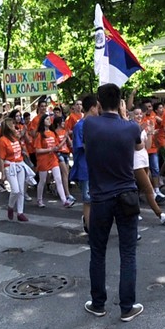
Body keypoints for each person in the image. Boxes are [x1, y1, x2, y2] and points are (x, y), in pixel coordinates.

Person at [82, 83, 144, 322]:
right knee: (128, 252)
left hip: (100, 197)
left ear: (98, 103)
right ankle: (127, 307)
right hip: (127, 195)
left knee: (98, 252)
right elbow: (140, 146)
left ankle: (98, 304)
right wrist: (124, 116)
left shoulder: (89, 124)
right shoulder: (131, 127)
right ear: (120, 103)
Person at [130, 107, 165, 225]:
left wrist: (149, 132)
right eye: (136, 114)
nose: (139, 116)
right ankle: (160, 214)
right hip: (136, 162)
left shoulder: (142, 128)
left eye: (140, 113)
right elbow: (137, 146)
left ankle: (133, 212)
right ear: (131, 116)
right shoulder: (132, 128)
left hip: (144, 160)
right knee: (149, 188)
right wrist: (141, 131)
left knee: (139, 189)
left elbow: (147, 146)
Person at [70, 94, 99, 234]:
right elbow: (83, 147)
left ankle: (91, 223)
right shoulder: (80, 126)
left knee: (96, 199)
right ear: (92, 108)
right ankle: (90, 229)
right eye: (97, 107)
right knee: (88, 200)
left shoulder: (96, 124)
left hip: (96, 167)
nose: (99, 110)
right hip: (85, 168)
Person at [34, 113, 74, 208]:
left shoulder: (52, 133)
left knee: (58, 179)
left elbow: (57, 146)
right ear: (43, 121)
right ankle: (39, 199)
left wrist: (60, 144)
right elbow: (37, 150)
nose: (49, 121)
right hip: (43, 160)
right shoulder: (39, 134)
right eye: (47, 119)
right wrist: (50, 149)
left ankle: (64, 201)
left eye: (49, 119)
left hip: (53, 158)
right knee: (42, 180)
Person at [0, 116, 30, 222]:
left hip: (19, 164)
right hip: (10, 166)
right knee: (15, 190)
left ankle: (20, 212)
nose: (14, 126)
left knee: (21, 190)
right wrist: (3, 173)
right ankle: (10, 206)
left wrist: (23, 152)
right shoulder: (2, 140)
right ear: (8, 127)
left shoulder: (15, 137)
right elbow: (1, 158)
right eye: (12, 125)